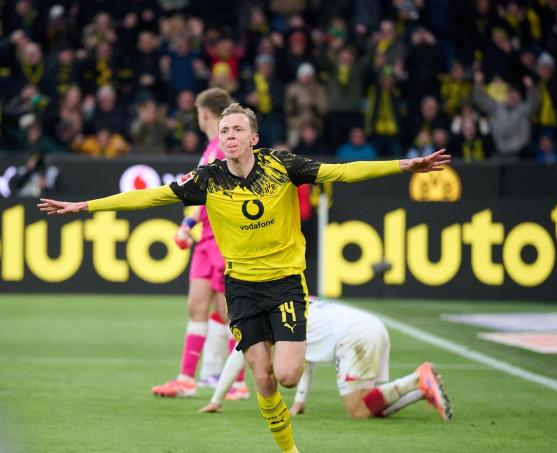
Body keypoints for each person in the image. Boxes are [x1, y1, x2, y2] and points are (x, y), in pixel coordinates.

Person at [38, 102, 451, 453]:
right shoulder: (208, 178)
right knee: (264, 378)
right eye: (224, 131)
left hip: (286, 283)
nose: (230, 136)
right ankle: (290, 450)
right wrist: (85, 206)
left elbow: (341, 173)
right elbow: (149, 197)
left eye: (237, 130)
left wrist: (405, 165)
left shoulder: (281, 165)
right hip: (241, 289)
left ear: (253, 137)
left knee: (287, 376)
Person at [198, 298, 452, 421]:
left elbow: (236, 358)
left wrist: (216, 400)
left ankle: (417, 380)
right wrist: (299, 401)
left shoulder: (263, 318)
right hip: (369, 326)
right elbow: (303, 359)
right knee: (369, 404)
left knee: (358, 411)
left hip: (355, 336)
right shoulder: (288, 303)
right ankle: (421, 390)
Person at [150, 87, 247, 400]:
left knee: (228, 311)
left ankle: (238, 383)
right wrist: (189, 224)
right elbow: (204, 194)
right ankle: (186, 379)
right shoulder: (211, 148)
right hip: (205, 238)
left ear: (204, 113)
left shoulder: (224, 148)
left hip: (222, 238)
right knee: (196, 305)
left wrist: (190, 222)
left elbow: (217, 192)